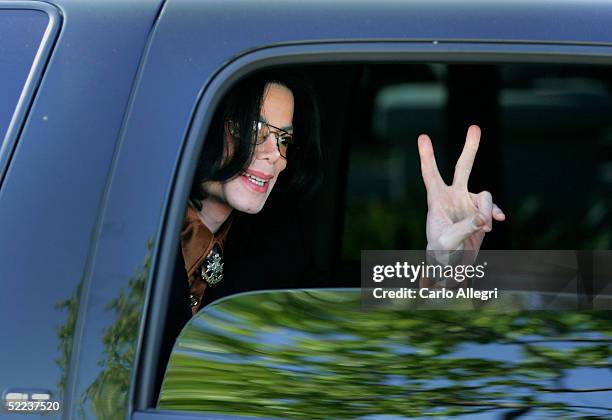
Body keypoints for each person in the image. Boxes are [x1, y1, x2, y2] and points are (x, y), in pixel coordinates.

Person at [180, 72, 505, 316]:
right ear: (205, 123)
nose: (276, 155)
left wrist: (437, 271)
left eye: (283, 139)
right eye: (254, 130)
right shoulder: (138, 230)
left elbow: (344, 322)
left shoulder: (277, 252)